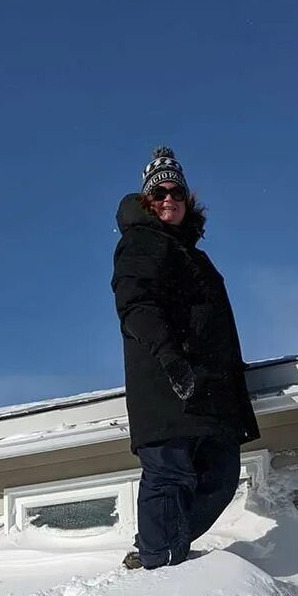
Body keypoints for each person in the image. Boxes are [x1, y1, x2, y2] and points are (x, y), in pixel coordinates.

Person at [112, 146, 260, 569]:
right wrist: (170, 357)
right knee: (170, 474)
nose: (168, 199)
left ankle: (160, 546)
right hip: (165, 383)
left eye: (176, 192)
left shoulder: (193, 255)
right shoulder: (141, 242)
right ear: (146, 201)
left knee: (221, 475)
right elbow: (136, 306)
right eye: (158, 193)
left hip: (209, 387)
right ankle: (159, 563)